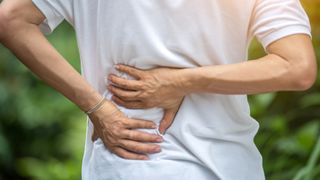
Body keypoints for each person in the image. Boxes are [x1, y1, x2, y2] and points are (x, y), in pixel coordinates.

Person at [0, 0, 317, 179]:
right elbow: (296, 66)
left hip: (130, 162)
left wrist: (99, 109)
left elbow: (11, 18)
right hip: (230, 166)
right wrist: (188, 80)